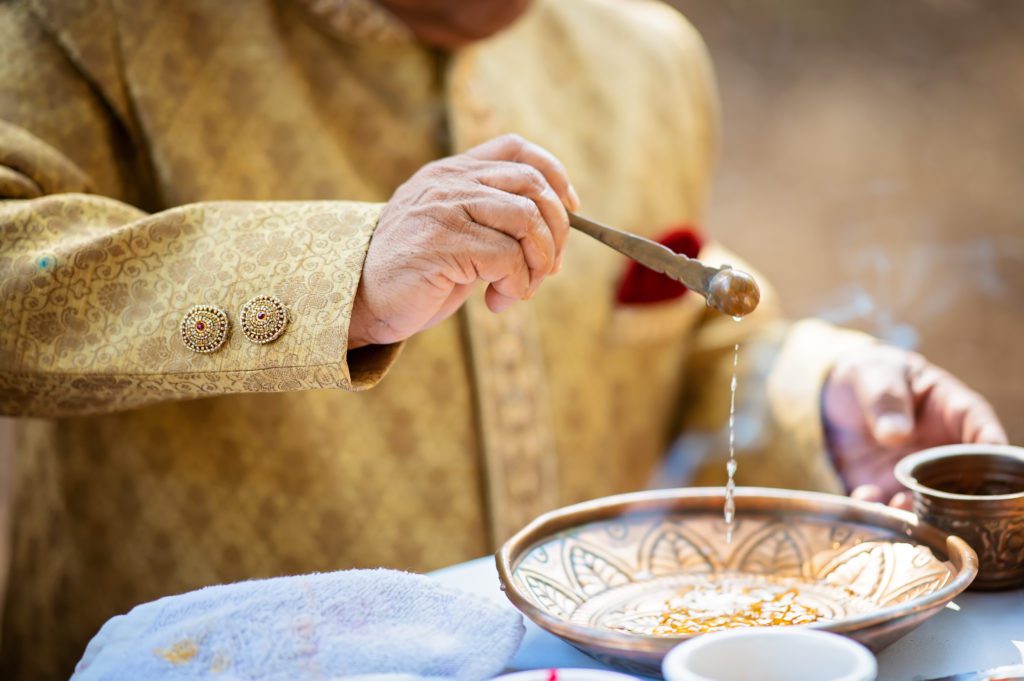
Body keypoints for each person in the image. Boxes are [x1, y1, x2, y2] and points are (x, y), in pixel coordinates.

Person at [0, 0, 1006, 678]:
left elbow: (690, 361)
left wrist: (825, 393)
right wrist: (339, 274)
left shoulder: (639, 54)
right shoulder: (102, 24)